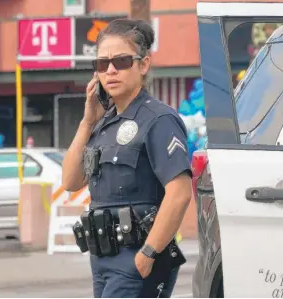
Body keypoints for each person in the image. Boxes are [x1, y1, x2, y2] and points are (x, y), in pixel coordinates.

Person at [62, 19, 192, 298]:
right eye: (101, 64)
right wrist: (86, 123)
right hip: (102, 257)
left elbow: (179, 193)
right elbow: (71, 181)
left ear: (143, 65)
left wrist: (148, 254)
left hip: (139, 256)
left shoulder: (158, 119)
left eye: (121, 61)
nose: (110, 70)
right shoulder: (102, 122)